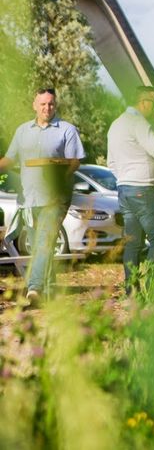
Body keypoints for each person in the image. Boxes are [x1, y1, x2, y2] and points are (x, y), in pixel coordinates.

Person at [0, 88, 84, 303]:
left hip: (56, 197)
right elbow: (10, 159)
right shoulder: (22, 131)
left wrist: (61, 176)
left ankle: (34, 288)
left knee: (45, 242)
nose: (47, 108)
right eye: (43, 104)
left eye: (51, 104)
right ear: (34, 105)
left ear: (56, 105)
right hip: (30, 198)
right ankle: (49, 289)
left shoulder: (67, 130)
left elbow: (75, 162)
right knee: (38, 244)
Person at [107, 86, 154, 291]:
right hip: (143, 190)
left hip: (124, 190)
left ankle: (131, 293)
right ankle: (153, 289)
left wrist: (126, 178)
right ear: (143, 102)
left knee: (133, 244)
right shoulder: (139, 123)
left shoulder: (116, 124)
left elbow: (111, 163)